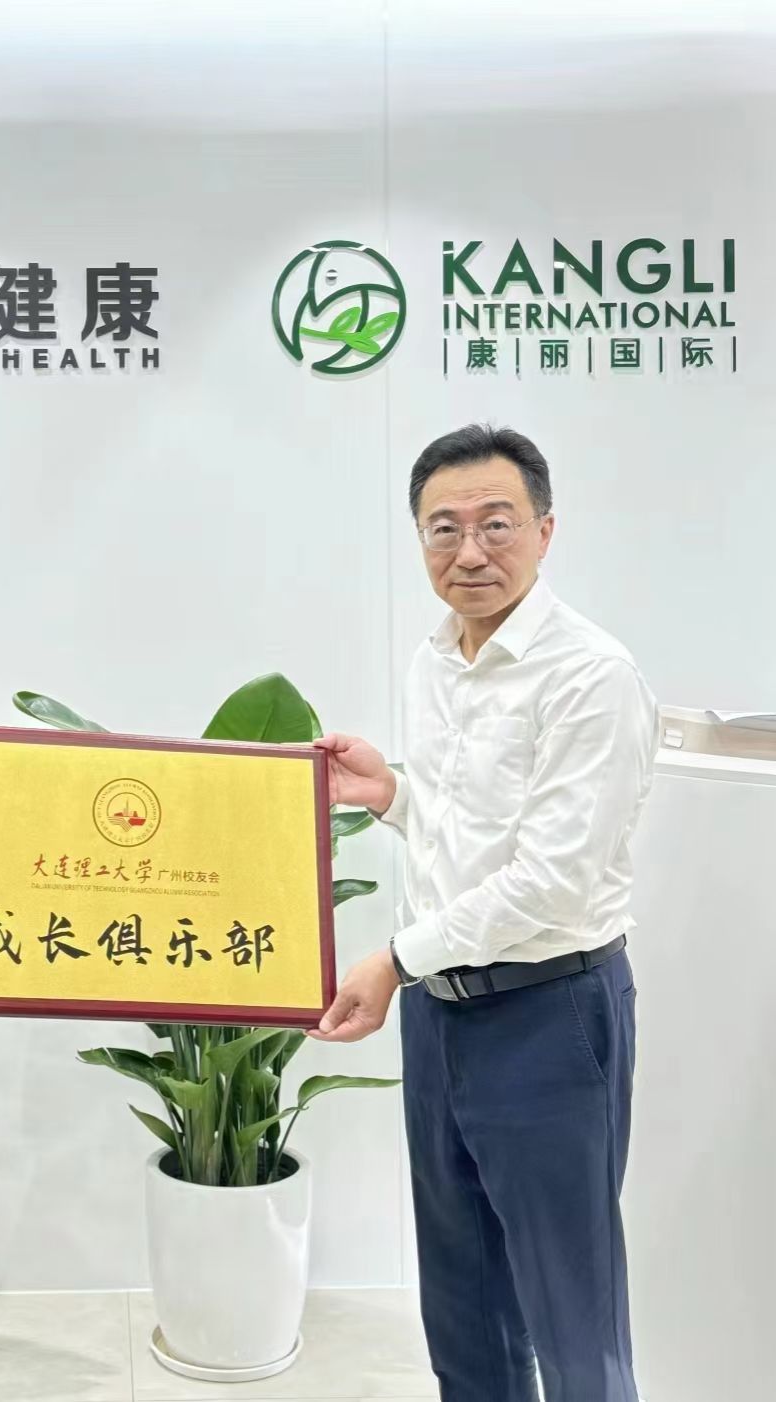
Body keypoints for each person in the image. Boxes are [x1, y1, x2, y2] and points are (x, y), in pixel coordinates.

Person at [311, 425, 658, 1402]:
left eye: (496, 524)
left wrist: (392, 960)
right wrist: (393, 795)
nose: (469, 551)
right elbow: (472, 832)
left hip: (551, 1013)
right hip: (441, 1014)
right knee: (464, 1308)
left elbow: (550, 881)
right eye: (444, 528)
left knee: (572, 1318)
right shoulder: (436, 662)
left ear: (545, 530)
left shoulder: (591, 675)